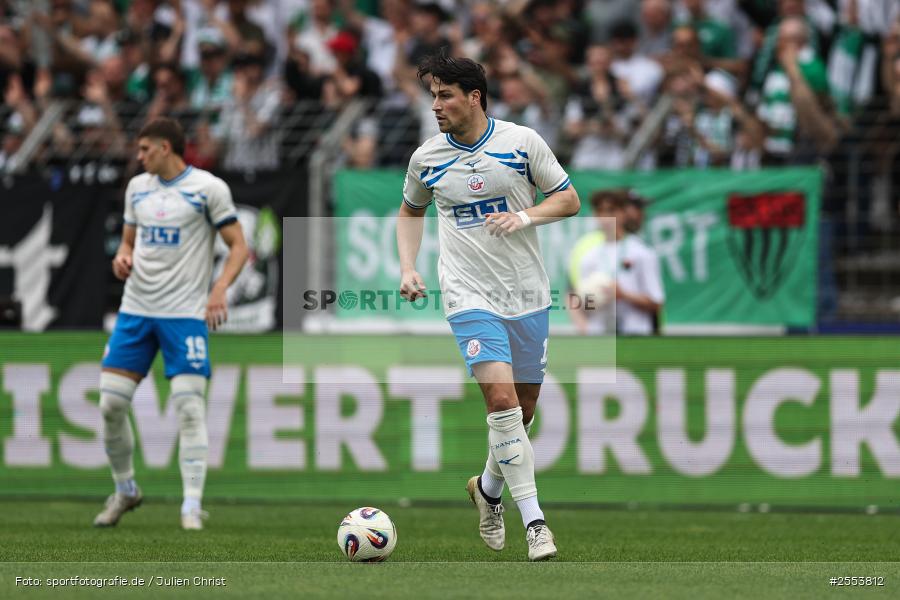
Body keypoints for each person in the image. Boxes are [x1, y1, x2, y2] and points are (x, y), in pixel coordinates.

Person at [396, 52, 580, 561]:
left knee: (522, 412)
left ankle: (488, 489)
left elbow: (569, 200)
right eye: (432, 95)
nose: (435, 105)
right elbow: (410, 211)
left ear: (473, 96)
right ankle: (536, 524)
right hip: (466, 294)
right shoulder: (427, 158)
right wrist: (408, 268)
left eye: (444, 95)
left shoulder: (521, 142)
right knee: (500, 403)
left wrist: (525, 217)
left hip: (526, 294)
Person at [94, 118, 248, 531]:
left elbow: (239, 246)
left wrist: (219, 289)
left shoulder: (208, 188)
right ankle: (125, 489)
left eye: (144, 149)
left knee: (188, 407)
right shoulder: (137, 188)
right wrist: (123, 256)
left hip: (184, 314)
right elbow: (128, 240)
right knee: (110, 405)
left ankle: (191, 506)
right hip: (137, 309)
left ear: (165, 147)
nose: (138, 156)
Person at [569, 190, 664, 335]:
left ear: (623, 213)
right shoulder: (588, 257)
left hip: (635, 335)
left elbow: (656, 303)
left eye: (611, 210)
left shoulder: (642, 253)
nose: (605, 217)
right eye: (600, 211)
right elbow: (580, 303)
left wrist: (623, 295)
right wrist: (591, 299)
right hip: (601, 338)